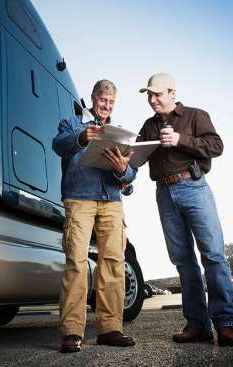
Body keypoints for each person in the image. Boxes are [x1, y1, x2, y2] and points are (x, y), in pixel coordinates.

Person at [136, 73, 233, 346]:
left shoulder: (196, 115)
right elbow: (135, 157)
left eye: (157, 94)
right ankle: (197, 325)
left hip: (194, 187)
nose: (152, 99)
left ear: (172, 92)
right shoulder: (147, 126)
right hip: (164, 193)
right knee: (183, 260)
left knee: (214, 255)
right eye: (149, 94)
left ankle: (226, 324)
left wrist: (181, 139)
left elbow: (216, 147)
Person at [52, 79, 137, 353]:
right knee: (76, 262)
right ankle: (72, 332)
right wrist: (81, 138)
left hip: (112, 200)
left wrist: (124, 170)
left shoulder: (119, 134)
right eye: (103, 100)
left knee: (113, 262)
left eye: (111, 102)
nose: (106, 105)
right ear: (93, 98)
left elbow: (131, 176)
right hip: (79, 199)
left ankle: (110, 329)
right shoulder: (72, 124)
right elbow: (58, 145)